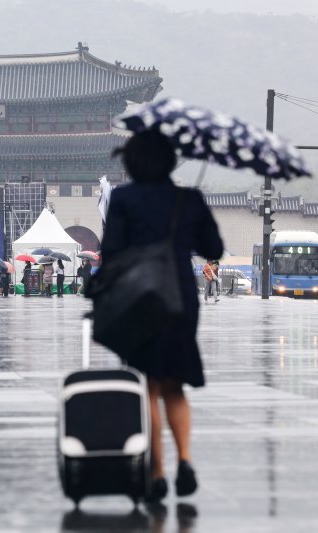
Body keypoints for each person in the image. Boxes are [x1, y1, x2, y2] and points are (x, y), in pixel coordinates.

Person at [101, 129, 223, 501]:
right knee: (175, 384)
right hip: (180, 298)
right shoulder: (188, 199)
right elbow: (213, 247)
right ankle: (185, 459)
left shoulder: (123, 198)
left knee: (149, 386)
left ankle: (156, 472)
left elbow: (111, 253)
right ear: (170, 161)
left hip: (139, 298)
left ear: (133, 162)